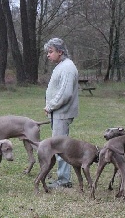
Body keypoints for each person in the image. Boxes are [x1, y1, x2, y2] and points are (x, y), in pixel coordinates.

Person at [43, 38, 79, 189]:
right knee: (58, 145)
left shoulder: (67, 67)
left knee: (60, 147)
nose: (48, 55)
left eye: (51, 52)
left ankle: (64, 181)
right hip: (58, 113)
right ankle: (62, 177)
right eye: (48, 52)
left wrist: (50, 106)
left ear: (60, 52)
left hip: (61, 113)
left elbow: (65, 94)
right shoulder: (61, 66)